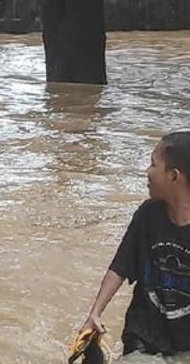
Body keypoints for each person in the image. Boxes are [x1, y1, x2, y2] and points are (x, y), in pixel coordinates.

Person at [80, 132, 190, 357]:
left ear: (174, 176)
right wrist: (95, 313)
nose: (147, 171)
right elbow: (120, 267)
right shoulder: (148, 215)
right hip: (143, 336)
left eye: (153, 164)